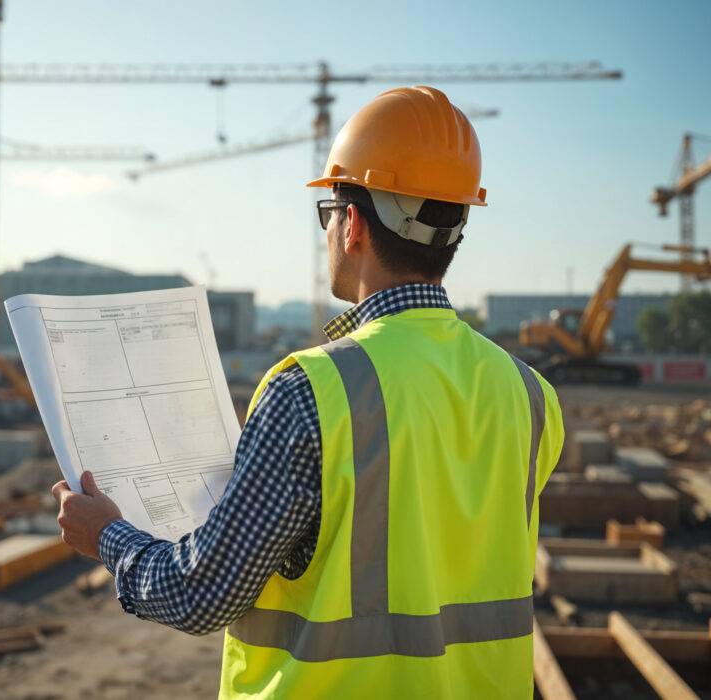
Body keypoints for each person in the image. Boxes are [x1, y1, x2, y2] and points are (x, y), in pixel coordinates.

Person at [52, 85, 563, 698]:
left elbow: (199, 596)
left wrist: (107, 535)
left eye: (329, 212)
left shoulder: (312, 392)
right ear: (454, 228)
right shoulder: (530, 394)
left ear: (350, 224)